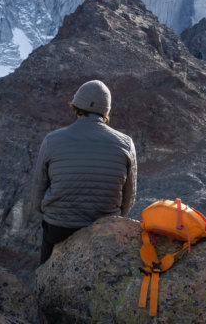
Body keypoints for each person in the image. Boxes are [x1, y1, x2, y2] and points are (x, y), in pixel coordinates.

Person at [31, 79, 137, 264]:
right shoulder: (125, 143)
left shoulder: (52, 140)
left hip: (59, 228)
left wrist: (55, 211)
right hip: (103, 230)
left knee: (46, 268)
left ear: (77, 107)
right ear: (106, 111)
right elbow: (128, 200)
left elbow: (37, 196)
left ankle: (45, 281)